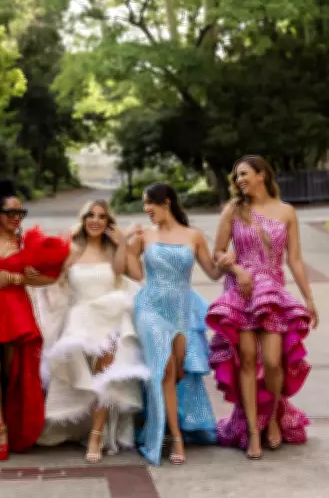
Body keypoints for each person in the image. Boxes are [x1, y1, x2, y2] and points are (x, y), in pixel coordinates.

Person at [207, 155, 317, 460]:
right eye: (237, 176)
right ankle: (255, 431)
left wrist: (308, 298)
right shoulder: (233, 210)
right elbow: (218, 251)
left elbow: (294, 259)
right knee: (245, 359)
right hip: (240, 291)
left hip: (271, 294)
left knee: (272, 362)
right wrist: (236, 269)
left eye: (244, 174)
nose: (239, 180)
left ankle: (275, 415)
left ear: (261, 175)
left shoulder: (286, 211)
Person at [0, 179, 69, 460]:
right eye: (11, 212)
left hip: (16, 311)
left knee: (12, 371)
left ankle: (13, 420)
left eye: (20, 213)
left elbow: (49, 277)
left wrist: (17, 278)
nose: (17, 218)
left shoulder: (27, 243)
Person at [36, 200, 149, 463]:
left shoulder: (113, 249)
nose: (95, 220)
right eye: (91, 215)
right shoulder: (72, 249)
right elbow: (52, 280)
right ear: (84, 219)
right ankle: (89, 428)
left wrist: (122, 244)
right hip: (81, 319)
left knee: (105, 372)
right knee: (88, 378)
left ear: (108, 222)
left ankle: (96, 436)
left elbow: (126, 273)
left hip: (112, 317)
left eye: (101, 216)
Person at [126, 183, 219, 466]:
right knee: (165, 368)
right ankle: (175, 438)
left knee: (178, 372)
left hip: (181, 311)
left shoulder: (194, 235)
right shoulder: (145, 236)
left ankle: (165, 424)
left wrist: (230, 264)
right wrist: (125, 242)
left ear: (165, 202)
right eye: (144, 204)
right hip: (150, 307)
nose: (146, 209)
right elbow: (133, 271)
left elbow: (213, 272)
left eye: (149, 203)